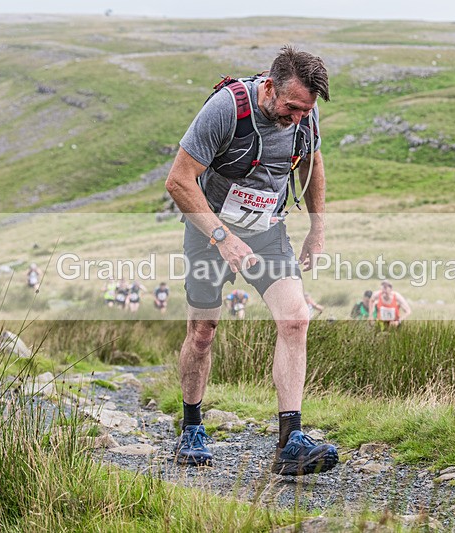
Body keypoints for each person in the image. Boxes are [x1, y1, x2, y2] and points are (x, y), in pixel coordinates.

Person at [164, 46, 338, 476]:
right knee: (203, 332)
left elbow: (312, 161)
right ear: (268, 88)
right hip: (210, 230)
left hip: (267, 231)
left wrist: (317, 228)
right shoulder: (227, 109)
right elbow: (179, 180)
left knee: (295, 318)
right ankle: (192, 428)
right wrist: (222, 237)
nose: (297, 117)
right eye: (291, 107)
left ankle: (290, 442)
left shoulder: (305, 114)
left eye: (305, 111)